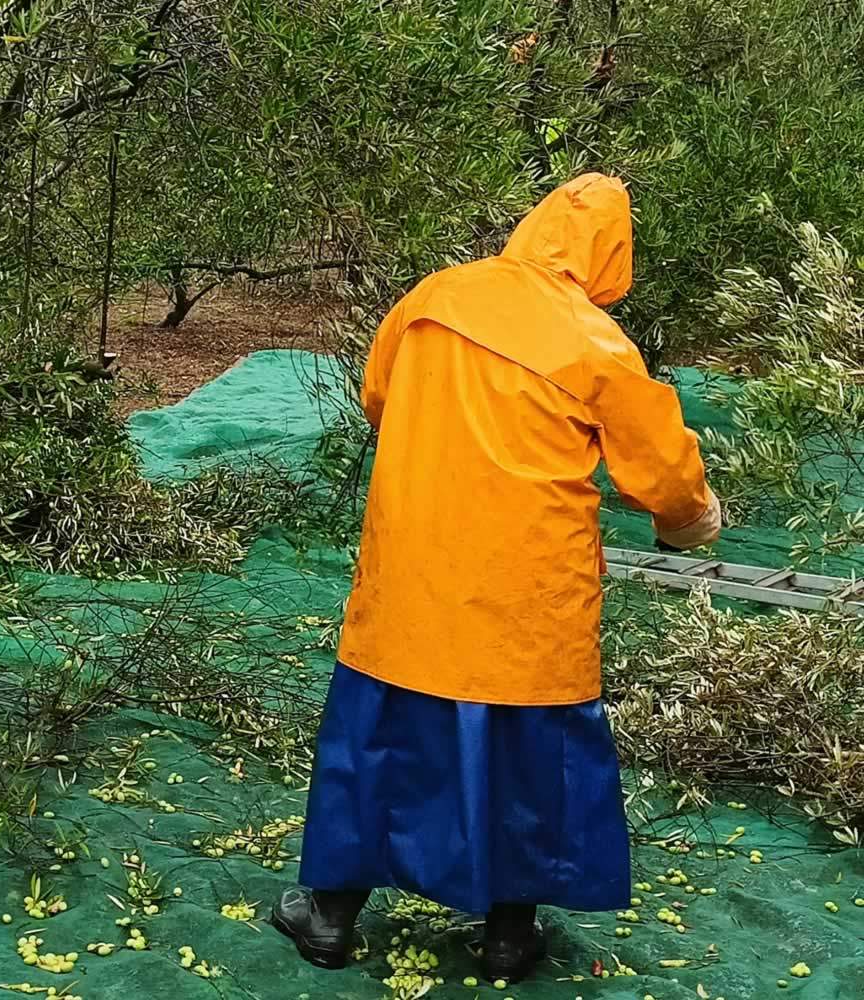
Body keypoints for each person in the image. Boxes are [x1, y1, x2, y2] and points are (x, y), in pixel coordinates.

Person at [270, 173, 721, 984]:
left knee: (377, 737)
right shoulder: (597, 344)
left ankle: (330, 915)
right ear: (610, 255)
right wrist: (690, 524)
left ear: (534, 224)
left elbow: (380, 396)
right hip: (528, 594)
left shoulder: (435, 297)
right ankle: (509, 934)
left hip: (413, 571)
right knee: (530, 756)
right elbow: (664, 477)